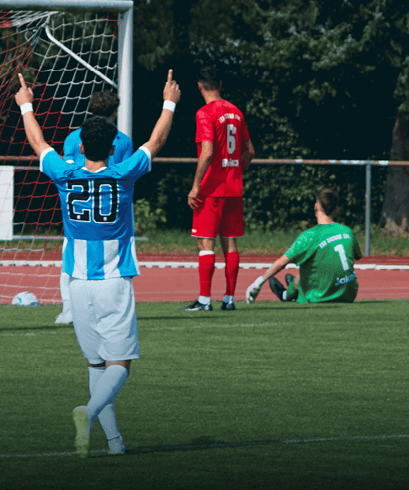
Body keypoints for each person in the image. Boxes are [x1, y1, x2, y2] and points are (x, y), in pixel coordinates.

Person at [15, 70, 179, 457]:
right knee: (119, 364)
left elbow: (37, 141)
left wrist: (25, 104)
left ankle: (115, 443)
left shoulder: (63, 172)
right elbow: (156, 140)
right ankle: (87, 414)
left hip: (76, 283)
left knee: (95, 365)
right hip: (113, 280)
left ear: (80, 144)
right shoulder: (123, 174)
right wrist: (169, 101)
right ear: (113, 144)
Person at [55, 91, 134, 325]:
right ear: (113, 112)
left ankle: (69, 308)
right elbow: (125, 174)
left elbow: (66, 167)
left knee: (70, 256)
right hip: (110, 209)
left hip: (79, 208)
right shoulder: (121, 140)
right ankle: (113, 309)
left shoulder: (72, 138)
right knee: (117, 262)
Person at [185, 65, 254, 312]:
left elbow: (207, 151)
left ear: (199, 86)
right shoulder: (236, 111)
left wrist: (195, 186)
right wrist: (236, 171)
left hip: (212, 189)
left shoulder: (205, 112)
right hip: (233, 189)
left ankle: (204, 300)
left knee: (206, 244)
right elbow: (250, 151)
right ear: (221, 84)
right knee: (231, 243)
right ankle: (229, 299)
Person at [245, 188, 360, 304]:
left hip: (319, 297)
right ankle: (294, 285)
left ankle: (285, 294)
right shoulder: (347, 231)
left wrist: (258, 282)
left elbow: (281, 262)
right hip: (348, 295)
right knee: (321, 264)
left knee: (303, 275)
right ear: (335, 208)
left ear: (316, 206)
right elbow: (357, 256)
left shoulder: (309, 236)